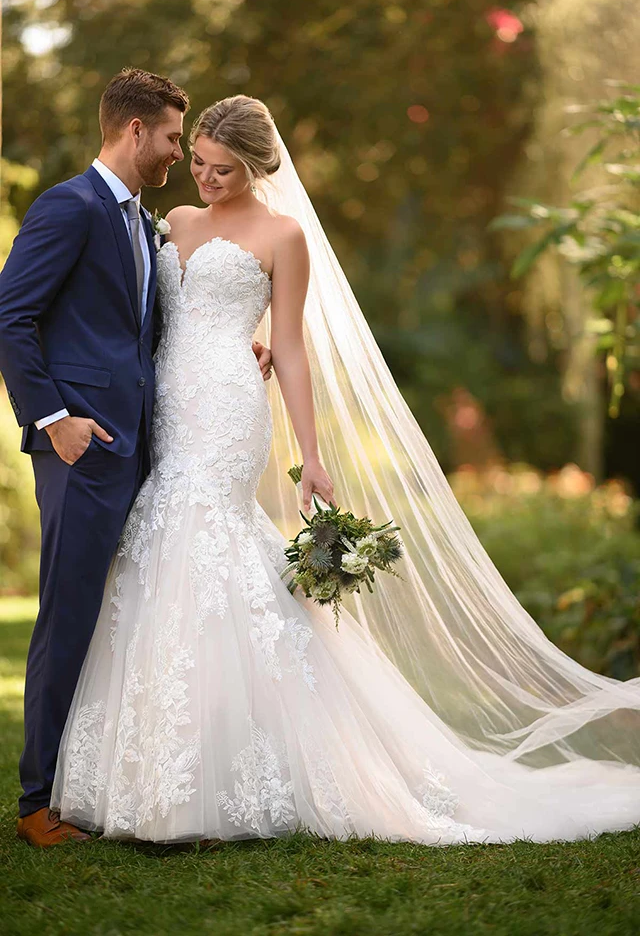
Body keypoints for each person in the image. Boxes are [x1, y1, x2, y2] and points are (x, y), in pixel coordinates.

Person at [51, 95, 640, 845]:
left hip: (229, 410)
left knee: (206, 531)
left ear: (259, 167)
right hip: (164, 400)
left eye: (221, 170)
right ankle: (156, 763)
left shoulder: (283, 234)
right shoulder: (173, 224)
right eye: (196, 162)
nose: (203, 179)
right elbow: (154, 318)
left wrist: (312, 454)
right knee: (161, 535)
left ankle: (210, 779)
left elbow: (289, 345)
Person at [0, 72, 271, 848]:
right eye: (173, 138)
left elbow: (138, 327)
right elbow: (10, 314)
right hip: (83, 451)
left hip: (148, 443)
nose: (179, 153)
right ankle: (35, 804)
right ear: (133, 132)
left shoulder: (141, 223)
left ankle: (96, 779)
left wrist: (228, 344)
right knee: (70, 610)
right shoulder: (71, 206)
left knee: (119, 614)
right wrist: (56, 421)